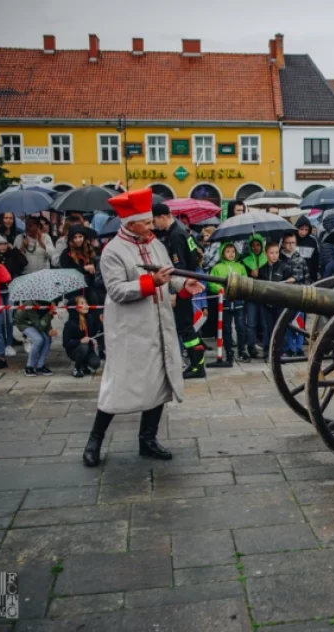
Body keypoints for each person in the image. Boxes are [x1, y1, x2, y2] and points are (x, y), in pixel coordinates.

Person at [82, 188, 205, 468]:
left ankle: (147, 439)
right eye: (147, 223)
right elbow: (116, 290)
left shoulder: (154, 245)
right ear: (130, 223)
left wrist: (183, 286)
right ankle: (95, 440)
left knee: (158, 382)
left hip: (158, 325)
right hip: (130, 330)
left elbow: (168, 276)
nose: (152, 227)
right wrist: (153, 284)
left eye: (151, 222)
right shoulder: (113, 251)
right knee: (118, 385)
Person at [153, 203, 207, 378]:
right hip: (188, 281)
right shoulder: (181, 230)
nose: (154, 225)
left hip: (183, 285)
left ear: (162, 217)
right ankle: (197, 363)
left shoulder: (175, 235)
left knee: (185, 328)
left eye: (155, 221)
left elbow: (179, 266)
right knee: (187, 327)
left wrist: (175, 292)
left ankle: (197, 365)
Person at [208, 242, 251, 365]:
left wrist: (239, 289)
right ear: (222, 253)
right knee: (225, 329)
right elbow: (211, 283)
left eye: (233, 251)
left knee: (241, 328)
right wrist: (220, 289)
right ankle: (229, 352)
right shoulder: (217, 268)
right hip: (224, 303)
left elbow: (245, 280)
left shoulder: (240, 267)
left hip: (238, 302)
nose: (231, 254)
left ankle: (242, 350)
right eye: (227, 251)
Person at [280, 232, 310, 357]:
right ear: (283, 244)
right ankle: (289, 348)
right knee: (287, 322)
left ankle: (299, 347)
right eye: (288, 243)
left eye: (293, 243)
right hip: (285, 295)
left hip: (299, 294)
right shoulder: (280, 259)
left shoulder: (300, 258)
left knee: (299, 322)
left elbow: (306, 276)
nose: (290, 245)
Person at [256, 241, 287, 360]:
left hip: (280, 303)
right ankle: (267, 350)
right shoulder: (262, 269)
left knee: (280, 327)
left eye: (276, 252)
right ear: (266, 254)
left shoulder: (283, 267)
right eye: (271, 253)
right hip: (266, 304)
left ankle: (280, 351)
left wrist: (292, 279)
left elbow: (292, 279)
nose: (275, 255)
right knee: (267, 328)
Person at [239, 234, 268, 360]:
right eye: (253, 245)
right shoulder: (245, 260)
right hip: (251, 296)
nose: (256, 248)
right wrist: (251, 275)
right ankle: (251, 346)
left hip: (264, 296)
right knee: (251, 323)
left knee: (265, 322)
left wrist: (259, 273)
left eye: (258, 245)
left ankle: (266, 346)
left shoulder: (266, 259)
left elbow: (268, 277)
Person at [58, 225, 101, 303]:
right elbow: (66, 272)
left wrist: (94, 269)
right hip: (74, 290)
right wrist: (84, 269)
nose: (78, 240)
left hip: (90, 288)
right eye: (75, 237)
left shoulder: (90, 250)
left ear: (84, 237)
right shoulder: (66, 254)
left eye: (80, 236)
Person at [63, 295, 103, 377]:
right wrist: (80, 341)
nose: (86, 305)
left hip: (88, 349)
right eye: (82, 303)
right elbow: (66, 343)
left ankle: (84, 365)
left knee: (96, 364)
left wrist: (101, 323)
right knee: (83, 347)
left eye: (86, 303)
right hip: (75, 350)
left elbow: (93, 333)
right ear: (76, 307)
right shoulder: (70, 324)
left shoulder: (89, 318)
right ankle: (77, 368)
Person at [14, 301, 56, 377]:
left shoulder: (48, 303)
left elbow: (46, 322)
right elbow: (40, 326)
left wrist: (50, 330)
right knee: (38, 339)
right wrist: (49, 313)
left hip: (36, 322)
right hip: (24, 323)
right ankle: (29, 366)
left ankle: (40, 365)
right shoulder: (30, 306)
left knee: (47, 339)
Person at [294, 216, 320, 282]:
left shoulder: (312, 241)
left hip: (309, 276)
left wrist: (314, 277)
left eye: (306, 230)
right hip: (293, 275)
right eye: (301, 229)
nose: (304, 232)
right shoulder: (292, 239)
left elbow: (315, 260)